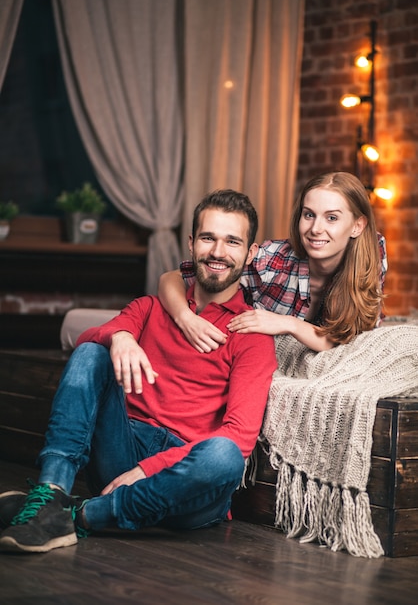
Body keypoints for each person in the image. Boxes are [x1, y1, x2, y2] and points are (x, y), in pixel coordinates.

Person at [0, 190, 277, 554]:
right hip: (123, 449)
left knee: (224, 455)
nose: (218, 252)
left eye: (232, 242)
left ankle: (79, 514)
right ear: (192, 244)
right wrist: (121, 338)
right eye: (208, 238)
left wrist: (150, 470)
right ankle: (51, 493)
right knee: (90, 352)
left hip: (185, 476)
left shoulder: (251, 337)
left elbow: (240, 439)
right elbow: (86, 340)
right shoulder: (151, 307)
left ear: (250, 253)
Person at [159, 171, 387, 353]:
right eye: (309, 215)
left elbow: (353, 342)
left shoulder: (372, 254)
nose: (316, 229)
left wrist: (288, 324)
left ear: (357, 226)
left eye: (332, 218)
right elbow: (172, 278)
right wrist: (186, 319)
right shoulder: (271, 260)